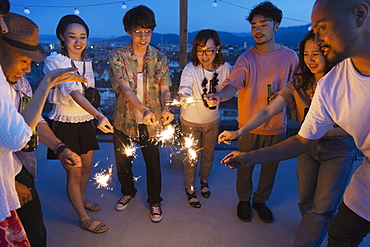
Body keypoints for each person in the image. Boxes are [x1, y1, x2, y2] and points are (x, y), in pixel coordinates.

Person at [221, 0, 370, 245]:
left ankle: (276, 209)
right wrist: (244, 143)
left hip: (335, 148)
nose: (317, 39)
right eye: (308, 53)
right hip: (323, 155)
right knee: (319, 213)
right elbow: (295, 132)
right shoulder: (329, 85)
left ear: (360, 14)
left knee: (321, 209)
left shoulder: (318, 72)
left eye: (321, 28)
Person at [205, 1, 298, 223]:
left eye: (263, 25)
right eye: (254, 26)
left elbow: (298, 88)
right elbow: (233, 84)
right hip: (247, 127)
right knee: (243, 166)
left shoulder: (290, 58)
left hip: (277, 126)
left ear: (276, 26)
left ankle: (260, 201)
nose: (257, 30)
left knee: (269, 170)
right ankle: (244, 200)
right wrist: (220, 95)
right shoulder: (246, 58)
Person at [0, 8, 86, 247]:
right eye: (24, 60)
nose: (28, 69)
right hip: (5, 178)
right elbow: (15, 138)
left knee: (35, 228)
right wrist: (8, 186)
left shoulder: (21, 83)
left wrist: (60, 148)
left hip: (16, 166)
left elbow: (36, 120)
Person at [44, 14, 114, 234]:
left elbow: (88, 95)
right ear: (61, 37)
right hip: (65, 123)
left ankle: (81, 199)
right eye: (72, 36)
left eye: (82, 37)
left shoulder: (87, 63)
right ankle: (83, 218)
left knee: (86, 168)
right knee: (73, 173)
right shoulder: (55, 61)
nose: (78, 41)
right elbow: (73, 92)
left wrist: (97, 116)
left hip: (85, 121)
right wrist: (99, 115)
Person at [108, 5, 173, 223]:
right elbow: (125, 88)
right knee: (123, 161)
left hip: (151, 121)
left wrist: (166, 108)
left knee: (152, 162)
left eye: (148, 31)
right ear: (129, 31)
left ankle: (155, 200)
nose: (143, 36)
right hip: (124, 118)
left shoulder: (160, 57)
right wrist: (142, 108)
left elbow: (165, 88)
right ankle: (128, 191)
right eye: (138, 31)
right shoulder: (117, 56)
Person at [179, 29, 231, 208]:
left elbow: (230, 90)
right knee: (191, 157)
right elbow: (184, 88)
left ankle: (204, 181)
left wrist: (220, 95)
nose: (204, 55)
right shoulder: (190, 68)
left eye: (209, 50)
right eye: (200, 50)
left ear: (217, 48)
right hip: (190, 121)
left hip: (212, 120)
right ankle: (190, 188)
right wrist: (184, 97)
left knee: (208, 156)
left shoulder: (225, 68)